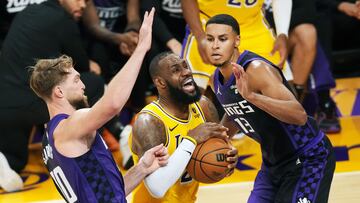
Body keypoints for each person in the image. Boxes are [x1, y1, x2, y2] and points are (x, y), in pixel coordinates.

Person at [28, 8, 169, 202]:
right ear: (59, 92)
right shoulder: (68, 126)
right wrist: (141, 49)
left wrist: (142, 169)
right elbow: (112, 105)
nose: (84, 85)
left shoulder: (50, 139)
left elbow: (108, 195)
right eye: (76, 80)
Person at [205, 14, 335, 203]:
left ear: (236, 41)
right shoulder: (215, 79)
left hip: (308, 158)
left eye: (222, 39)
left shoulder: (256, 69)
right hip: (272, 164)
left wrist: (253, 97)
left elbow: (299, 115)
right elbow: (235, 112)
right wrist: (221, 144)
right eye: (210, 39)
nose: (215, 45)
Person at [129, 52, 238, 203]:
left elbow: (217, 150)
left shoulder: (204, 106)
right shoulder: (149, 122)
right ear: (161, 83)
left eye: (185, 66)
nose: (186, 72)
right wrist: (191, 139)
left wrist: (227, 159)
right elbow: (156, 188)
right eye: (176, 70)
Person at [180, 0, 292, 90]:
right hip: (209, 21)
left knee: (284, 85)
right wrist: (200, 37)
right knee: (191, 89)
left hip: (252, 23)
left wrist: (282, 33)